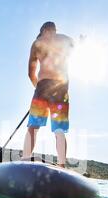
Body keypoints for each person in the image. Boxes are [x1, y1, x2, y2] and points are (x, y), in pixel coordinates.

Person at [22, 22, 74, 168]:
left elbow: (31, 73)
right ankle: (61, 165)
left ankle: (26, 160)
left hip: (44, 87)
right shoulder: (63, 39)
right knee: (58, 129)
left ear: (43, 30)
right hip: (60, 88)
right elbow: (76, 46)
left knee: (33, 127)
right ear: (48, 30)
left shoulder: (37, 43)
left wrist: (38, 91)